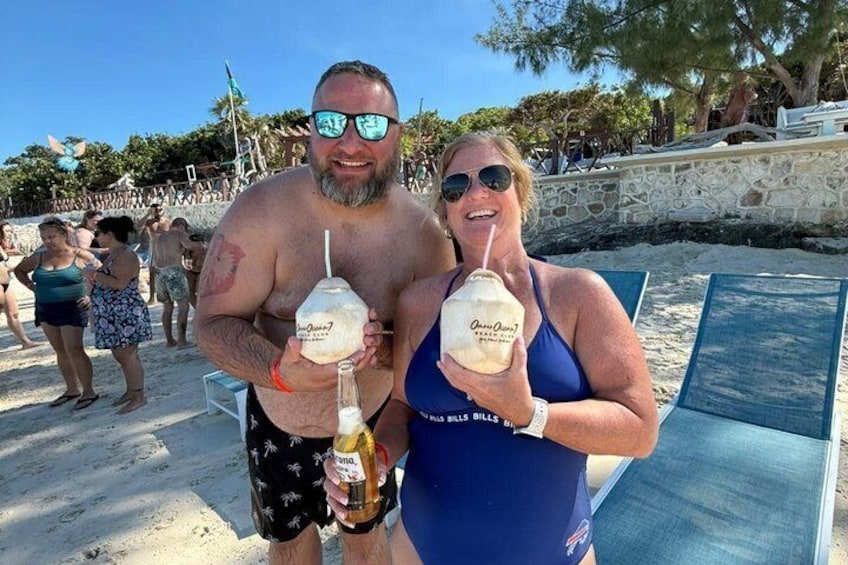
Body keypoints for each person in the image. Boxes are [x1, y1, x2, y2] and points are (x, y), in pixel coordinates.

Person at [324, 132, 660, 564]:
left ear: (520, 191)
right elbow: (403, 406)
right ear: (446, 212)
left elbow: (640, 431)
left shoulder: (577, 294)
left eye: (493, 177)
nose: (476, 193)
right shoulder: (418, 303)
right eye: (456, 186)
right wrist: (378, 457)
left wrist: (530, 413)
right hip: (420, 548)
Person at [194, 60, 455, 565]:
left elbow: (435, 349)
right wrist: (279, 371)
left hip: (375, 426)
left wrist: (382, 353)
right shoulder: (261, 212)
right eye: (332, 122)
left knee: (366, 538)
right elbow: (212, 322)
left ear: (397, 134)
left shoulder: (424, 235)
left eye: (372, 125)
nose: (351, 143)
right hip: (278, 425)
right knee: (290, 544)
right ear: (311, 130)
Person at [14, 217, 100, 410]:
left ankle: (88, 391)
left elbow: (102, 274)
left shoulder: (79, 254)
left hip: (72, 306)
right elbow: (19, 270)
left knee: (74, 349)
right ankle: (71, 389)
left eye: (51, 237)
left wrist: (90, 296)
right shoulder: (39, 256)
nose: (47, 241)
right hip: (45, 307)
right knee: (59, 349)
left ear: (63, 235)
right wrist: (30, 286)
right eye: (44, 237)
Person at [85, 216, 153, 414]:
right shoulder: (114, 254)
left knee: (128, 355)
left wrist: (94, 274)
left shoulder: (125, 256)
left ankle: (138, 396)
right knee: (121, 355)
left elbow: (119, 284)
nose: (96, 237)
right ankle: (131, 391)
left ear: (110, 234)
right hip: (115, 313)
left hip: (125, 312)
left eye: (98, 233)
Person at [153, 217, 200, 348]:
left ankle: (169, 340)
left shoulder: (159, 237)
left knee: (167, 307)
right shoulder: (179, 233)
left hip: (160, 272)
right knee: (183, 306)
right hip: (174, 271)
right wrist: (201, 245)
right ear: (181, 226)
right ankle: (182, 341)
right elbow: (190, 246)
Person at [0, 221, 43, 349]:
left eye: (10, 231)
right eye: (6, 231)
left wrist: (16, 267)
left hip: (6, 282)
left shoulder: (3, 247)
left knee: (13, 313)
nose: (9, 234)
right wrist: (15, 267)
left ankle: (25, 341)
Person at [137, 202, 172, 304]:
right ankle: (152, 297)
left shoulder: (168, 221)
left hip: (166, 249)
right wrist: (148, 214)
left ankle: (168, 295)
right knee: (152, 273)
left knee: (168, 273)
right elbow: (139, 226)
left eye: (160, 210)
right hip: (154, 249)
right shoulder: (149, 222)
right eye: (156, 210)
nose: (158, 212)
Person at [182, 231, 207, 309]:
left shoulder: (206, 250)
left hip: (202, 270)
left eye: (199, 243)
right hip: (191, 271)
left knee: (200, 291)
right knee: (189, 292)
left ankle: (202, 309)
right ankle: (198, 309)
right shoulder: (187, 250)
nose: (197, 246)